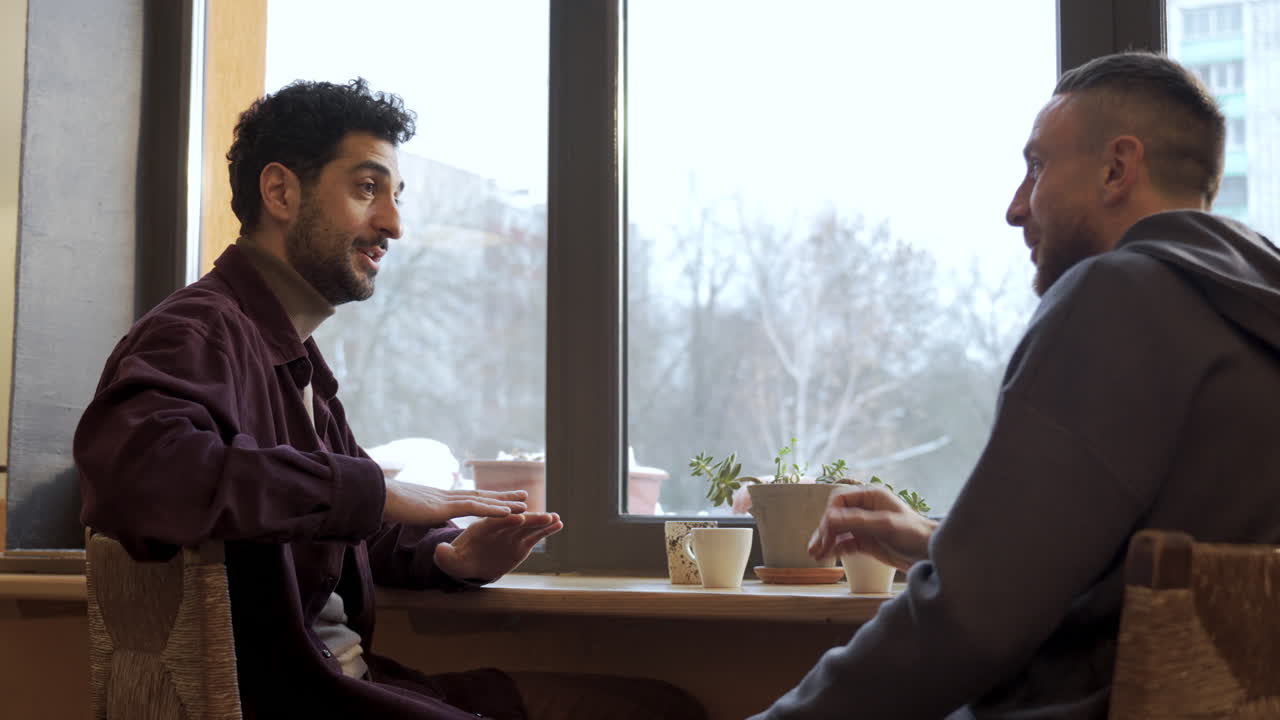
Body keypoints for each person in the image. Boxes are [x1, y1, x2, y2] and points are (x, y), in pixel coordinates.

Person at [75, 79, 703, 719]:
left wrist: (450, 557)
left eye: (395, 196)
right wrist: (370, 490)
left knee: (659, 705)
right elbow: (140, 476)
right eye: (367, 189)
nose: (394, 225)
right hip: (308, 701)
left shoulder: (296, 361)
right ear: (281, 192)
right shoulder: (196, 332)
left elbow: (326, 524)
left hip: (362, 680)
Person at [751, 51, 1280, 719]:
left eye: (1037, 166)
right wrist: (942, 544)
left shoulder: (1121, 299)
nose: (1015, 206)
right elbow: (1142, 575)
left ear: (1117, 169)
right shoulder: (1248, 319)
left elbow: (965, 626)